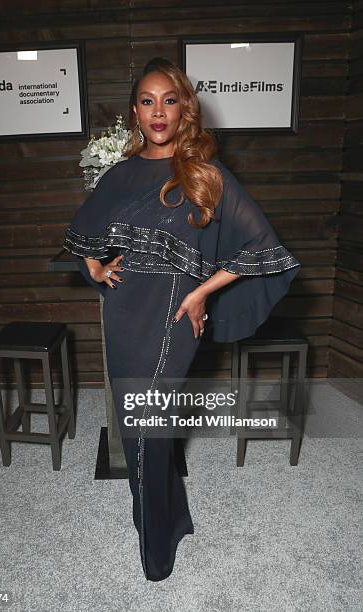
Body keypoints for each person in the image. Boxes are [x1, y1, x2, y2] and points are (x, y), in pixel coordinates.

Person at [63, 57, 301, 581]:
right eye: (147, 101)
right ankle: (173, 517)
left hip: (173, 316)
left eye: (169, 100)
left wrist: (201, 296)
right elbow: (82, 233)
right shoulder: (120, 174)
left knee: (148, 428)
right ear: (135, 111)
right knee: (142, 429)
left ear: (184, 109)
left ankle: (155, 548)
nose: (158, 111)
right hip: (125, 313)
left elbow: (263, 245)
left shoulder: (204, 174)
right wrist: (97, 268)